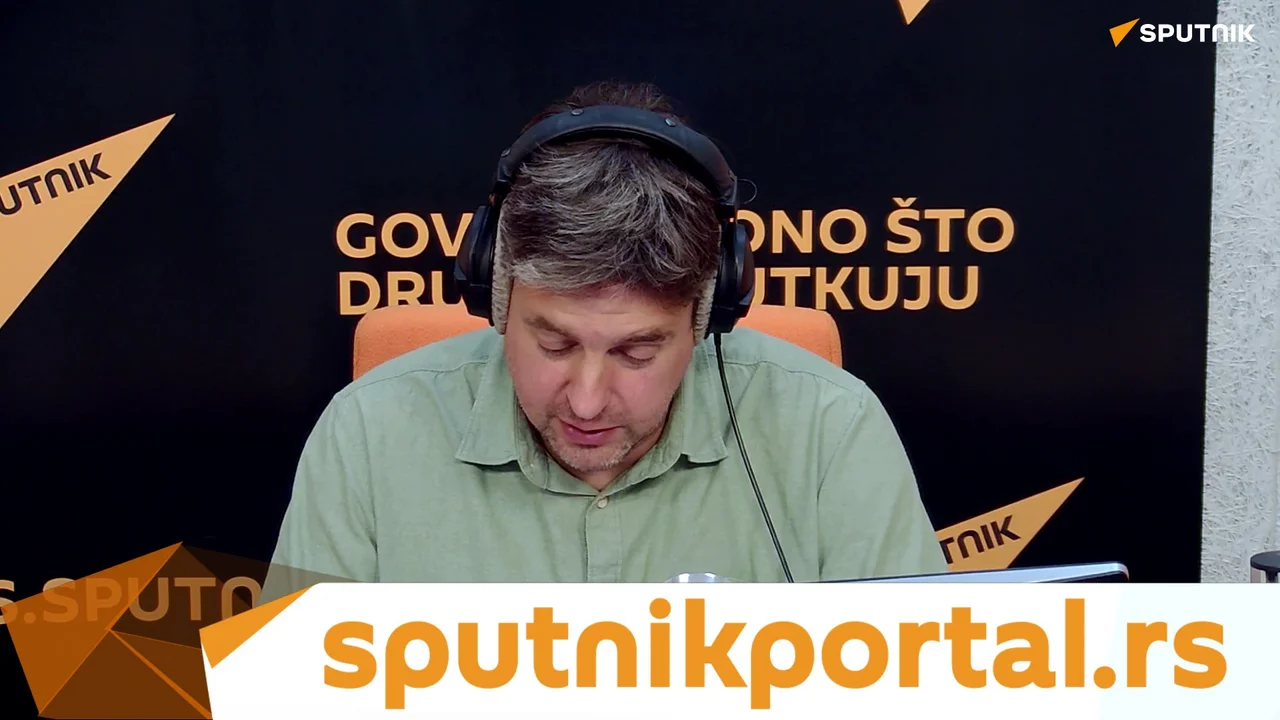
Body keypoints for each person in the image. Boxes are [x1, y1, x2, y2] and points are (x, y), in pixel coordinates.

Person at [264, 81, 946, 592]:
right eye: (554, 344)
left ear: (705, 317)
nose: (587, 401)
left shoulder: (832, 429)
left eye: (636, 352)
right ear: (497, 297)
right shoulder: (368, 433)